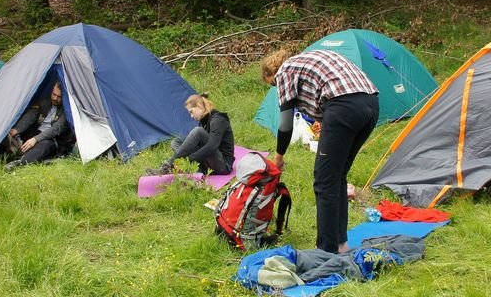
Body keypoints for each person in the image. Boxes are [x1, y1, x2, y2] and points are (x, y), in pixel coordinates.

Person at [261, 48, 379, 254]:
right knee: (337, 176)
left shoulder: (284, 71)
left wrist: (278, 156)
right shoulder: (310, 59)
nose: (276, 88)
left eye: (272, 84)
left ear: (272, 73)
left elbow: (286, 124)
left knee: (324, 180)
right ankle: (340, 245)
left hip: (343, 105)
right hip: (371, 104)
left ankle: (325, 251)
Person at [146, 93, 234, 176]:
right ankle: (192, 168)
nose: (191, 116)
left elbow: (212, 146)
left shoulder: (218, 120)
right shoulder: (204, 121)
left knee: (197, 132)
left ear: (199, 106)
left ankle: (169, 165)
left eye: (191, 112)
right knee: (176, 142)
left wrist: (188, 159)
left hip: (223, 165)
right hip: (209, 163)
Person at [3, 82, 75, 170]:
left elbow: (56, 129)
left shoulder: (67, 110)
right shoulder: (45, 102)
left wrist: (35, 139)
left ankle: (19, 163)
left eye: (59, 97)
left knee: (45, 145)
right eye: (54, 94)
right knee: (16, 133)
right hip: (37, 133)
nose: (55, 98)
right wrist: (16, 129)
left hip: (52, 140)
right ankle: (13, 150)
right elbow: (30, 116)